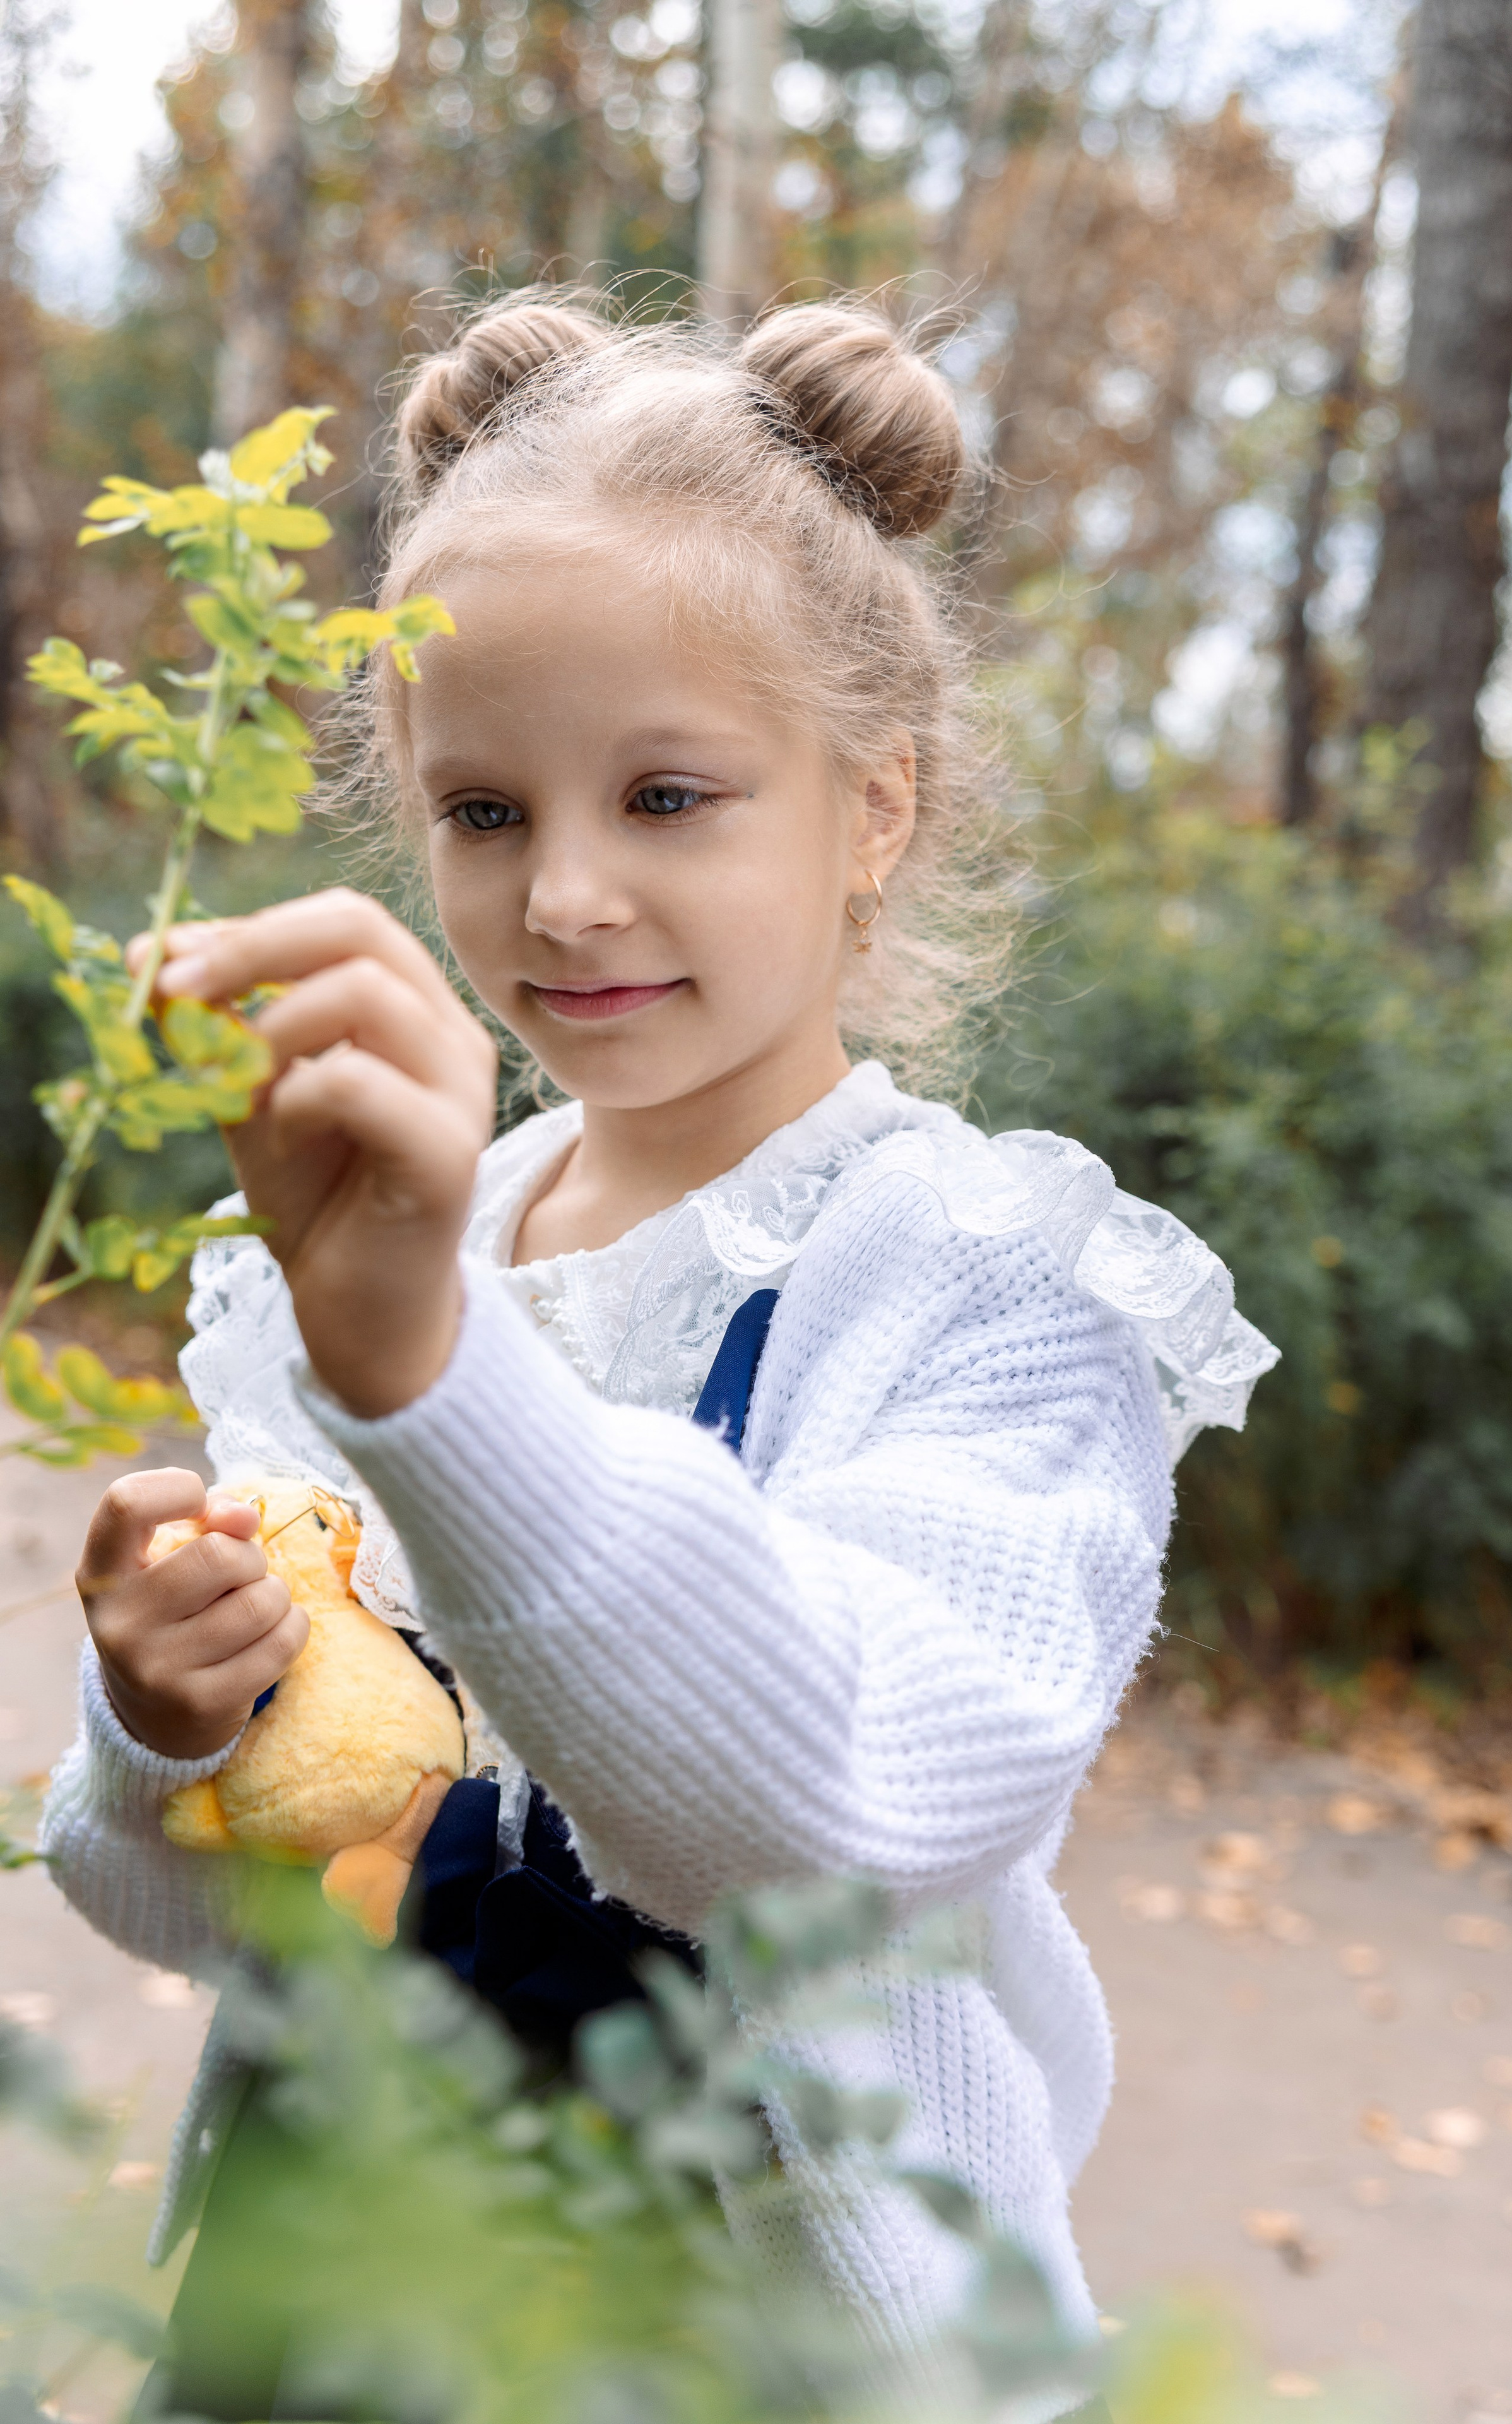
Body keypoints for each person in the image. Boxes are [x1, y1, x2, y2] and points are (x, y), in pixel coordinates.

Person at [43, 295, 1277, 2395]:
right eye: (487, 813)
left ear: (873, 811)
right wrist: (154, 1736)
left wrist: (428, 1372)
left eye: (672, 796)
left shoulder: (988, 1280)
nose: (568, 899)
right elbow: (210, 1924)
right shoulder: (358, 1262)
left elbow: (808, 1815)